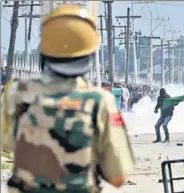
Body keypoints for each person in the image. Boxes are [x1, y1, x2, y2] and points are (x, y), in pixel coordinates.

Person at [1, 5, 134, 193]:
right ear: (89, 54)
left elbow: (7, 144)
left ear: (44, 50)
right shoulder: (100, 101)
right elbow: (118, 177)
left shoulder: (15, 93)